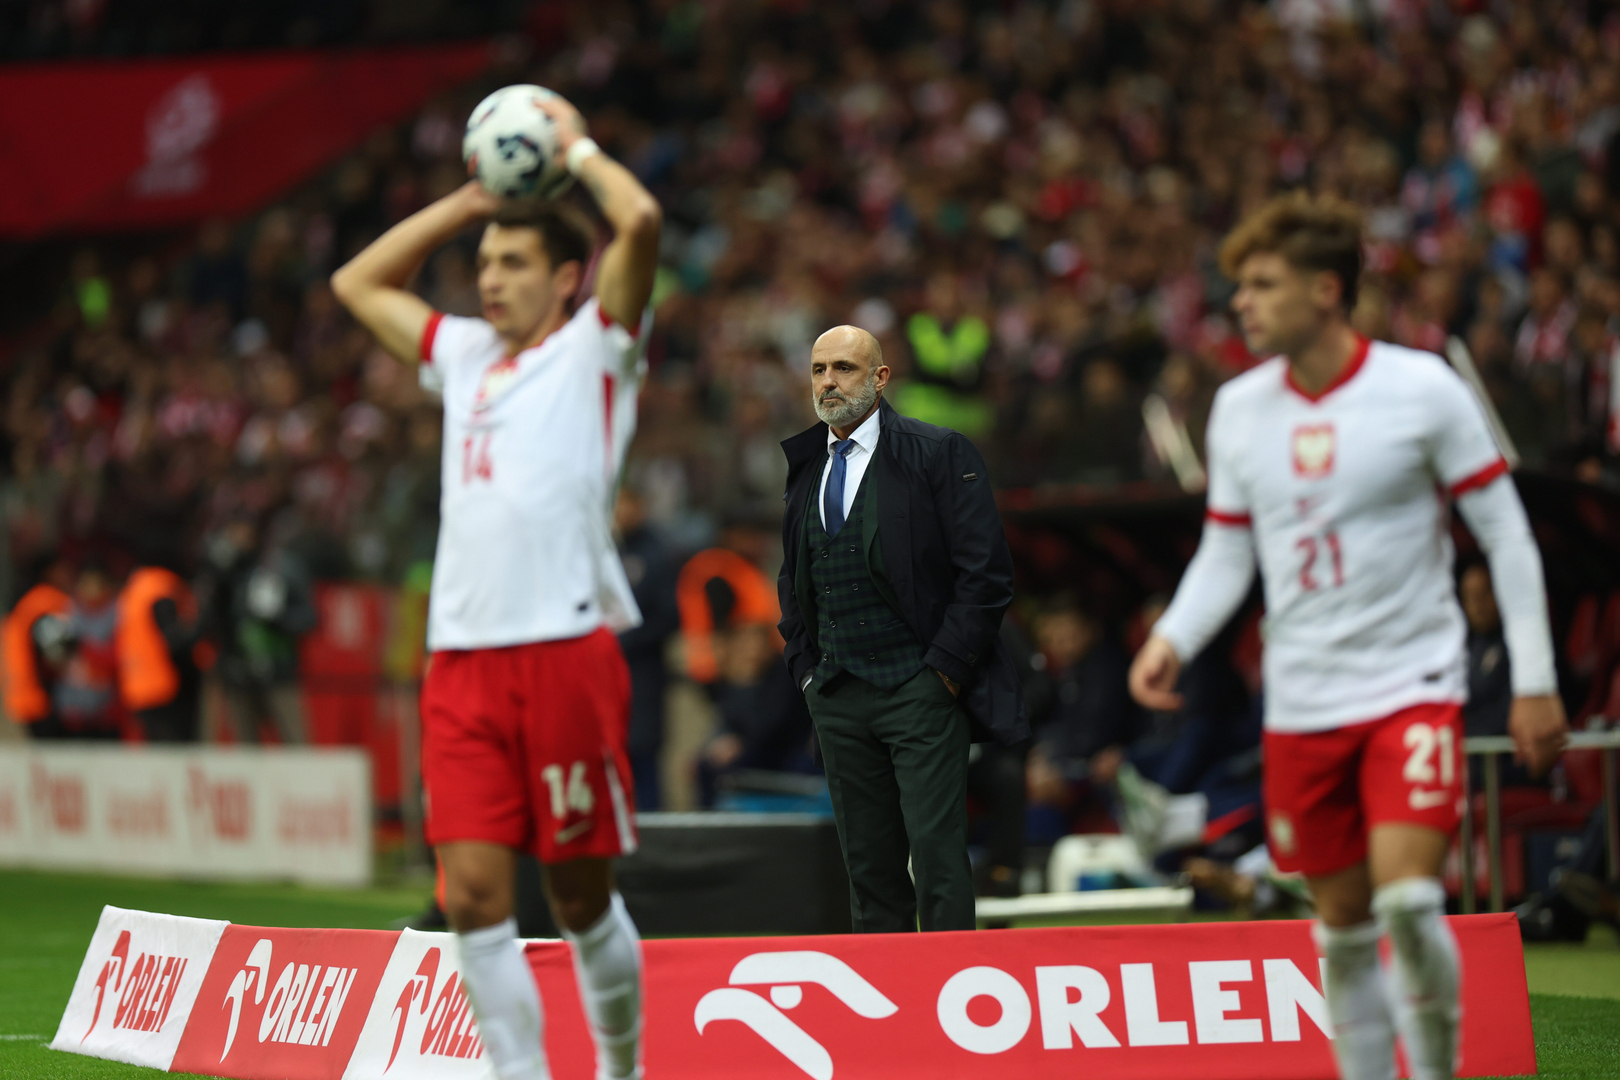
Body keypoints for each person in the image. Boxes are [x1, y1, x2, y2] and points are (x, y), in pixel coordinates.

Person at [1129, 192, 1568, 1080]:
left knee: (1408, 903)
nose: (1241, 303)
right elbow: (1229, 549)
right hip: (1301, 703)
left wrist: (1534, 679)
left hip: (1412, 687)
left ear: (1326, 290)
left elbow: (1506, 534)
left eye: (1262, 283)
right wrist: (1173, 635)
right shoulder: (1239, 408)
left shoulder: (1422, 389)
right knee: (1345, 931)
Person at [331, 90, 659, 1080]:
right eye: (483, 264)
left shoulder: (598, 347)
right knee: (473, 898)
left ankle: (621, 1069)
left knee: (578, 897)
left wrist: (577, 149)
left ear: (566, 278)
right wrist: (473, 203)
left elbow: (639, 219)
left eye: (513, 262)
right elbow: (356, 282)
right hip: (462, 662)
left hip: (563, 648)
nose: (489, 280)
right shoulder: (464, 355)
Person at [777, 324, 1025, 933]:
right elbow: (794, 578)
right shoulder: (806, 463)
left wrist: (944, 672)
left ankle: (954, 986)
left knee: (939, 862)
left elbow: (986, 574)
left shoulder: (938, 451)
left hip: (920, 688)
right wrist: (806, 671)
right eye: (819, 370)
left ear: (880, 377)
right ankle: (888, 994)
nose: (828, 382)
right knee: (869, 871)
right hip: (836, 692)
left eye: (844, 368)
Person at [201, 514, 315, 745]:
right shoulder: (225, 570)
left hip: (277, 671)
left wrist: (278, 617)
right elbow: (210, 620)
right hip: (237, 672)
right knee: (246, 748)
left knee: (297, 744)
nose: (239, 541)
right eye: (233, 535)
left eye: (245, 535)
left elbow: (309, 618)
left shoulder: (282, 567)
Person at [614, 487, 679, 811]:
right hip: (606, 673)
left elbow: (670, 617)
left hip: (643, 674)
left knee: (643, 754)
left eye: (625, 503)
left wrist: (625, 641)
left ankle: (653, 828)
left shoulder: (657, 554)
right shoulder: (604, 550)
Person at [116, 563, 205, 743]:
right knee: (174, 749)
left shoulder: (133, 589)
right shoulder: (160, 589)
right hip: (164, 685)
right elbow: (174, 639)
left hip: (136, 684)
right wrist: (200, 628)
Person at [2, 569, 71, 735]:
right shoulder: (46, 601)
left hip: (21, 695)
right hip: (42, 698)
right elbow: (55, 652)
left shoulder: (26, 603)